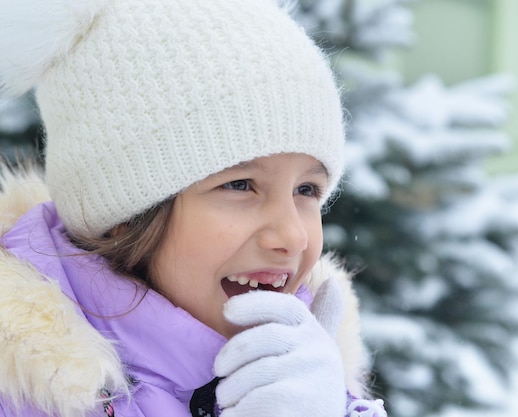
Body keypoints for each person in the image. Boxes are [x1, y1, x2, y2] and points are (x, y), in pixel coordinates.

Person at [0, 0, 387, 416]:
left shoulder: (318, 381)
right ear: (123, 213)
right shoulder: (25, 392)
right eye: (240, 185)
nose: (293, 236)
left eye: (307, 189)